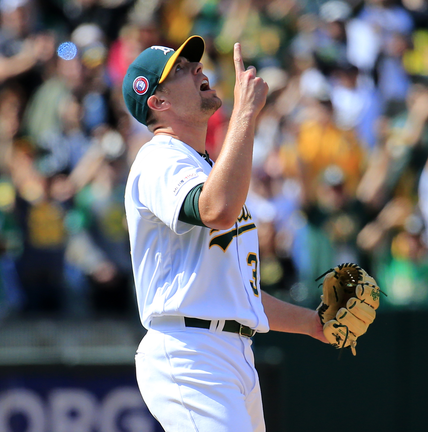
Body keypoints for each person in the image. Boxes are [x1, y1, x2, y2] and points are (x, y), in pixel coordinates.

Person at [122, 36, 328, 432]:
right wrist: (246, 113)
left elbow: (239, 293)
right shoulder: (158, 158)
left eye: (194, 64)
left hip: (232, 352)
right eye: (180, 70)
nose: (198, 70)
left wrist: (312, 323)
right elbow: (215, 210)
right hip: (190, 351)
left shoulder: (207, 167)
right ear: (157, 102)